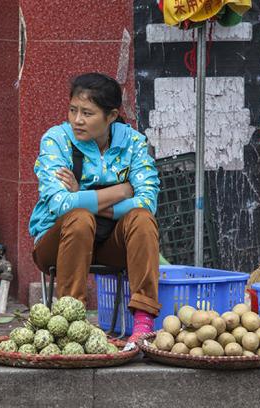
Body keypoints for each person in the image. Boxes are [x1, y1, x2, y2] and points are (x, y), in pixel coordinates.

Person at [29, 72, 161, 341]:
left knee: (143, 219)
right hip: (57, 243)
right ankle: (71, 320)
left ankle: (143, 321)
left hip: (111, 245)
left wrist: (82, 194)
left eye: (87, 113)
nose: (77, 120)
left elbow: (148, 201)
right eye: (73, 110)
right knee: (78, 219)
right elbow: (59, 204)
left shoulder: (133, 144)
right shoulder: (57, 140)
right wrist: (120, 191)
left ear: (111, 116)